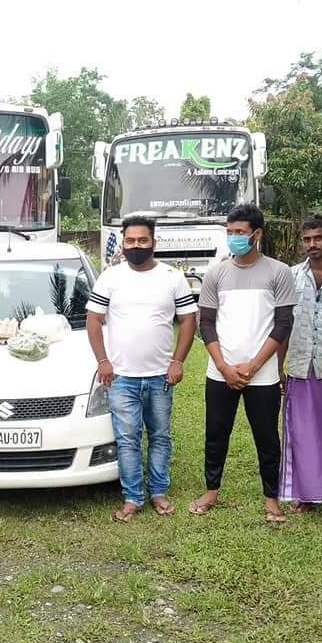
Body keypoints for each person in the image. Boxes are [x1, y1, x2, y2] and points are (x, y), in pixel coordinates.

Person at [86, 215, 198, 522]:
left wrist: (177, 361)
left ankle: (158, 493)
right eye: (131, 241)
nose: (136, 246)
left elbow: (189, 319)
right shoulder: (110, 276)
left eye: (142, 240)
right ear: (123, 243)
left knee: (160, 436)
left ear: (153, 243)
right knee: (127, 438)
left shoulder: (172, 277)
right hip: (121, 376)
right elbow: (93, 320)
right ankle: (132, 497)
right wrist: (103, 361)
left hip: (161, 376)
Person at [189, 203, 295, 523]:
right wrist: (223, 366)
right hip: (220, 372)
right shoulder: (216, 273)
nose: (234, 237)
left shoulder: (279, 272)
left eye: (240, 232)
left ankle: (271, 499)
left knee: (266, 437)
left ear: (257, 234)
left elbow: (283, 324)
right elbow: (205, 323)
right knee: (216, 433)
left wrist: (255, 365)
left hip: (260, 375)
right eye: (230, 232)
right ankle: (211, 491)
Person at [277, 215, 322, 512]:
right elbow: (281, 326)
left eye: (318, 238)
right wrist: (278, 366)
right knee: (302, 434)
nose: (312, 244)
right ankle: (305, 495)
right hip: (300, 366)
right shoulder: (291, 276)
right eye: (307, 239)